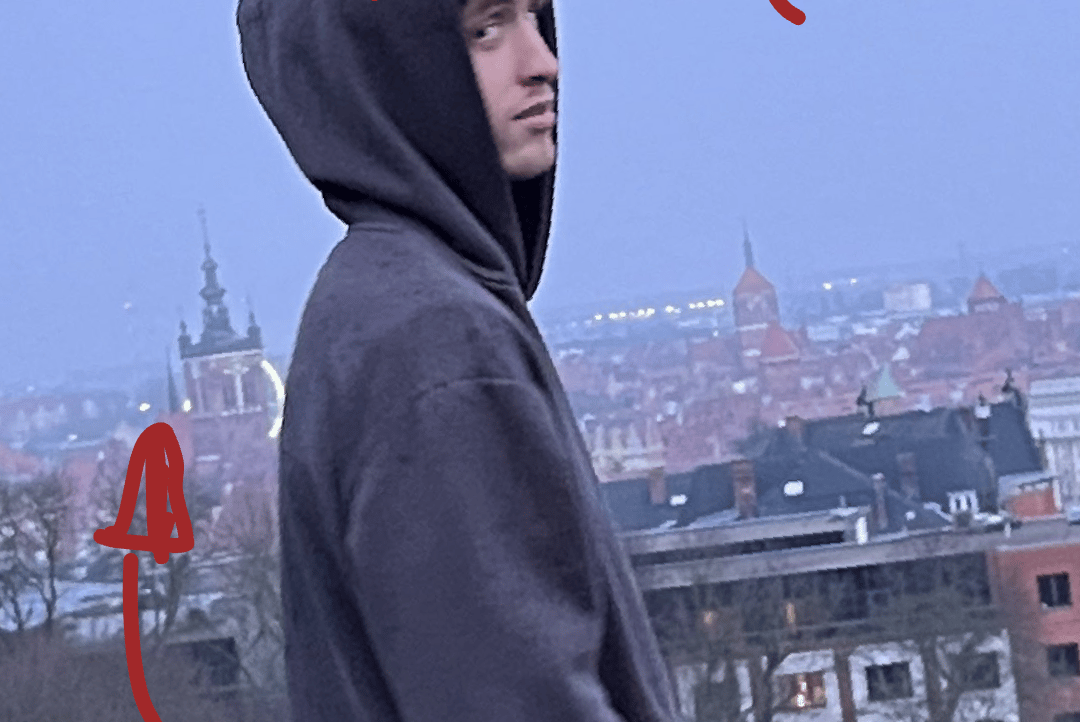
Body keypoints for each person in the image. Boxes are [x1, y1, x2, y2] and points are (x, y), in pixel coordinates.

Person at [236, 0, 683, 720]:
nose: (543, 63)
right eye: (485, 30)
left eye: (535, 17)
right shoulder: (435, 340)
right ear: (387, 71)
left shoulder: (373, 303)